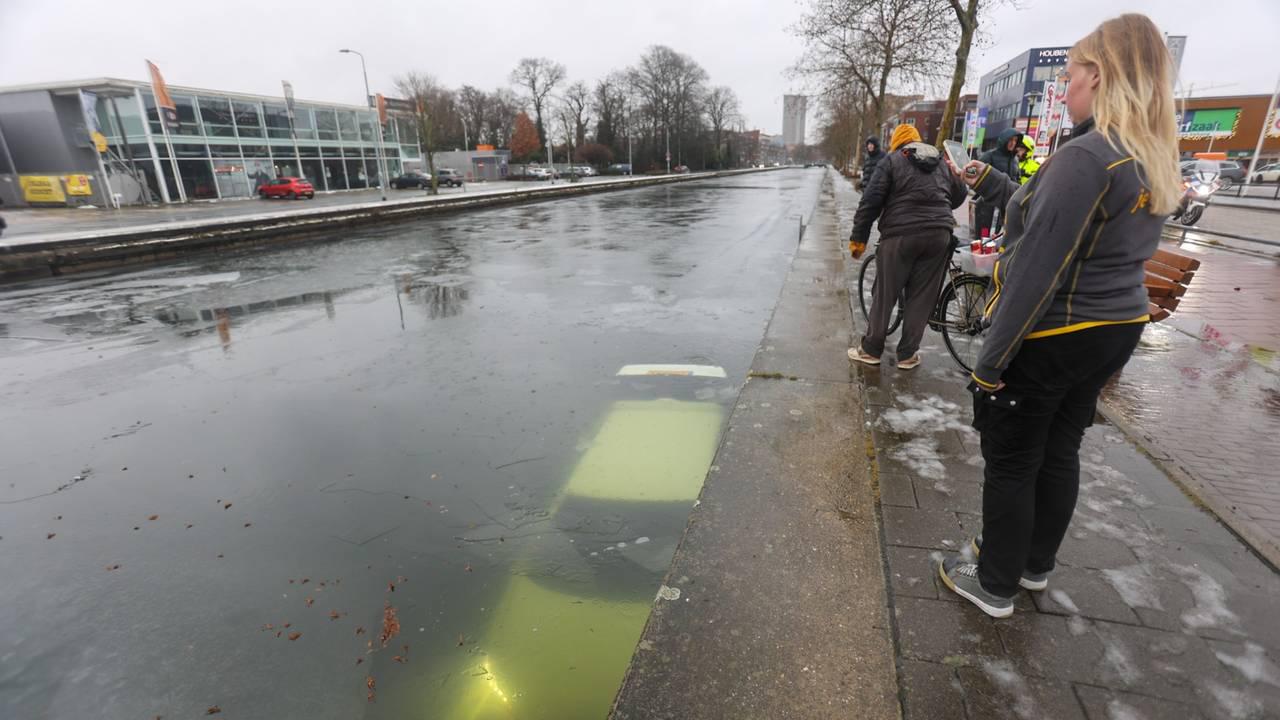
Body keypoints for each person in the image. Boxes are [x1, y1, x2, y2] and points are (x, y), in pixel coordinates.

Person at [935, 13, 1183, 618]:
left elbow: (1036, 273)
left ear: (1099, 77)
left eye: (1070, 75)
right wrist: (994, 183)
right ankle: (1031, 566)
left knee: (1014, 453)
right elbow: (1055, 222)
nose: (1064, 88)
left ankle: (993, 582)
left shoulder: (1087, 156)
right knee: (1059, 448)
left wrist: (988, 365)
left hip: (1059, 331)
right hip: (1113, 328)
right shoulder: (1146, 156)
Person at [846, 123, 968, 370]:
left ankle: (871, 350)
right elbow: (960, 193)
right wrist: (937, 207)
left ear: (896, 143)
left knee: (885, 292)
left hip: (900, 236)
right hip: (939, 235)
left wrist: (858, 239)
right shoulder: (940, 161)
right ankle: (907, 354)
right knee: (922, 297)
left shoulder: (891, 161)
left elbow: (870, 202)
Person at [973, 128, 1022, 236]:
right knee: (983, 234)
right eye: (1010, 140)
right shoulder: (989, 155)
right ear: (1003, 140)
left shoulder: (1015, 160)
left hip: (1007, 205)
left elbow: (1017, 179)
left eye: (1015, 140)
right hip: (987, 204)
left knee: (999, 236)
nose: (1012, 143)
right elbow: (974, 173)